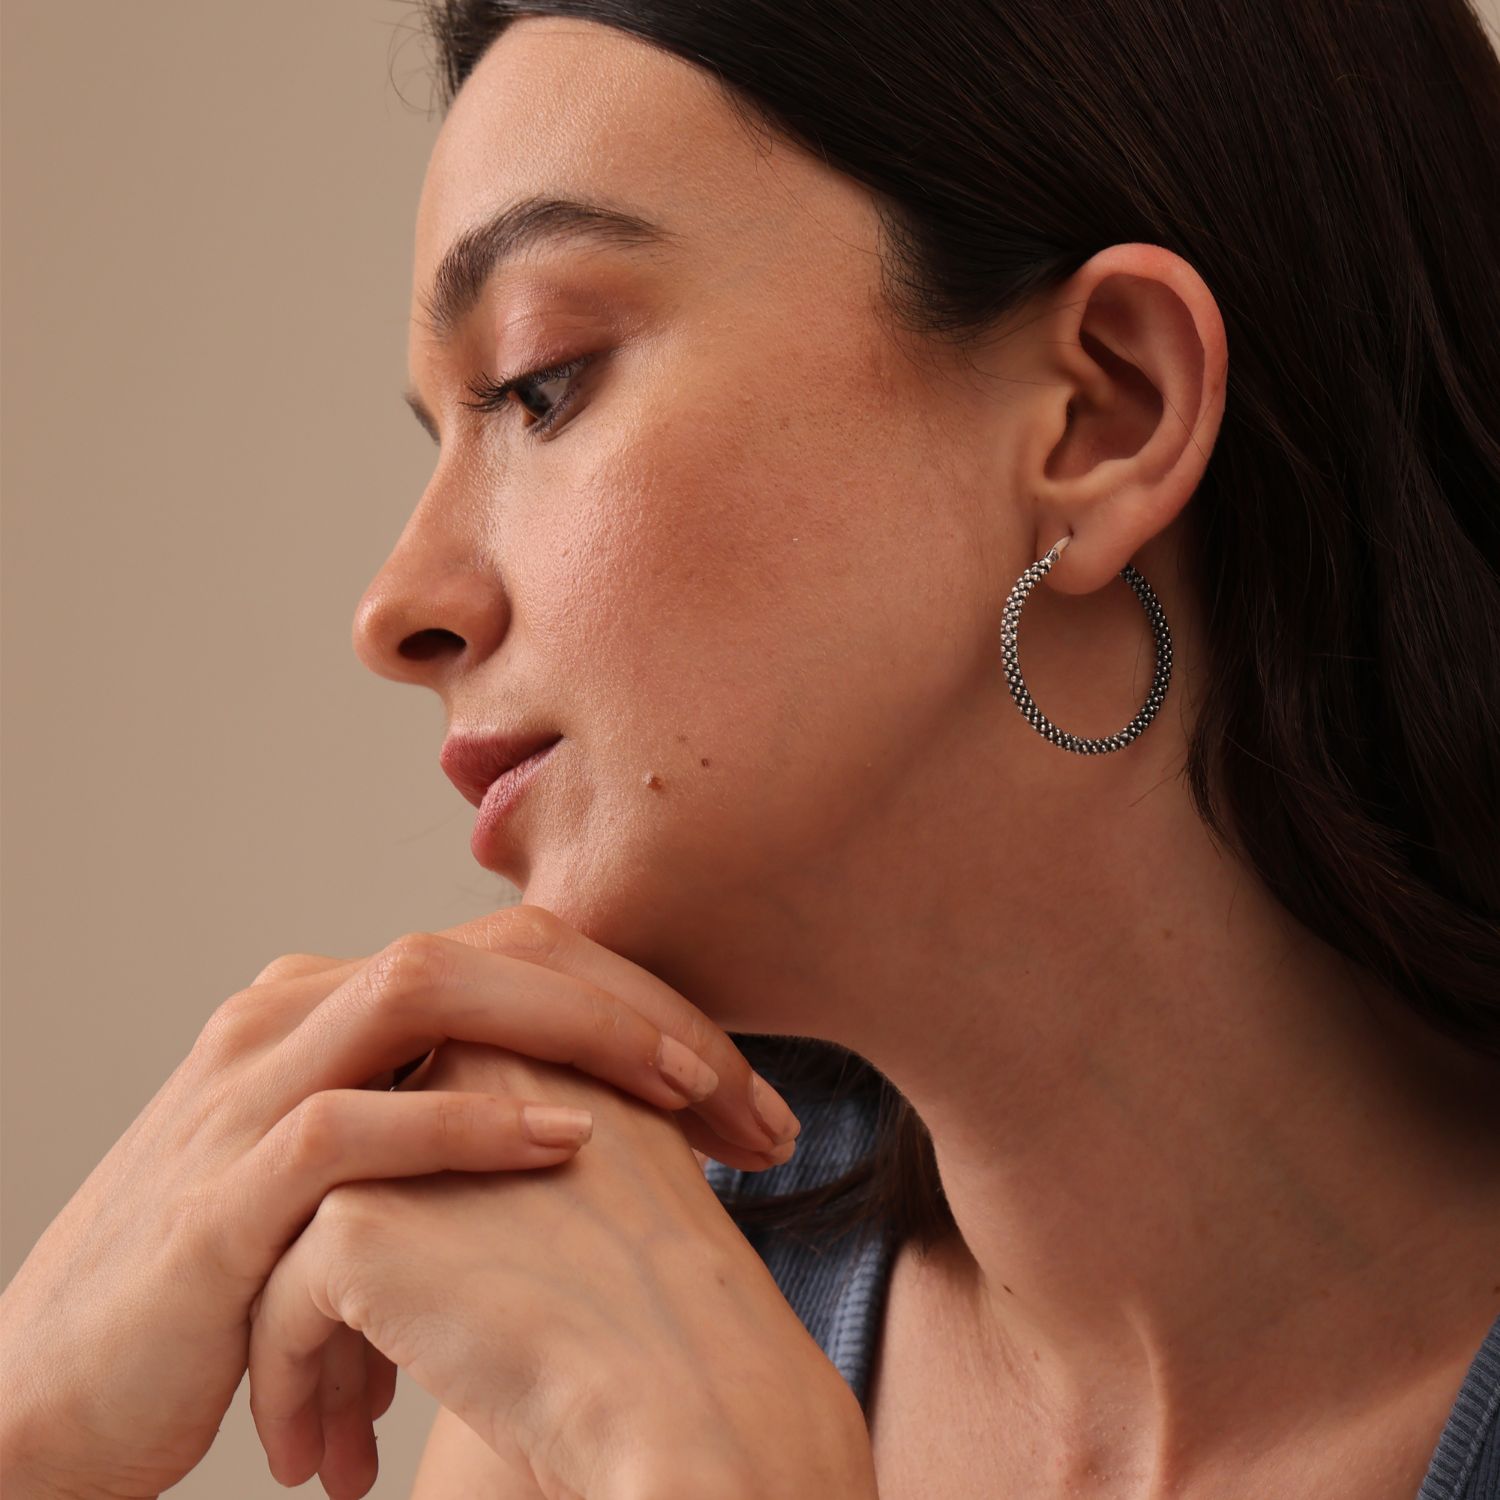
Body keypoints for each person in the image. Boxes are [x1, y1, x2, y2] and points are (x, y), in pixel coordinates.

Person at [4, 2, 1498, 1497]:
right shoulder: (626, 1306)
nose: (398, 607)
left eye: (539, 382)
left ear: (1106, 408)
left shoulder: (649, 1396)